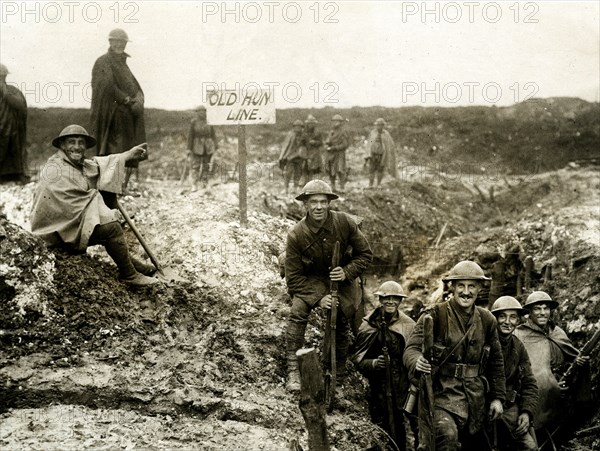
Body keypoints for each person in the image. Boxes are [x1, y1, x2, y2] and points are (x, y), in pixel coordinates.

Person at [30, 125, 158, 287]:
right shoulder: (54, 169)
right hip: (56, 234)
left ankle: (134, 265)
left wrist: (126, 156)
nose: (77, 147)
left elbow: (98, 165)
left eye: (81, 142)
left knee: (105, 221)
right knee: (111, 226)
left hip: (69, 226)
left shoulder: (76, 164)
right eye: (71, 142)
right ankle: (130, 275)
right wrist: (101, 205)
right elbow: (69, 205)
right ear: (62, 145)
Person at [403, 260, 506, 451]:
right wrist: (417, 361)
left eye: (472, 286)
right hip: (440, 396)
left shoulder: (487, 319)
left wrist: (498, 398)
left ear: (479, 289)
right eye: (461, 286)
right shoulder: (435, 314)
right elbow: (411, 349)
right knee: (446, 438)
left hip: (476, 400)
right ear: (452, 287)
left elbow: (496, 362)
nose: (466, 292)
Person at [284, 180, 372, 392]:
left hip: (340, 277)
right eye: (313, 202)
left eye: (323, 201)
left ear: (329, 203)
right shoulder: (296, 234)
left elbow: (365, 254)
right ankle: (293, 369)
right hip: (311, 281)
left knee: (343, 315)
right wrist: (318, 298)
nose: (319, 207)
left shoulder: (344, 223)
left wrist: (347, 272)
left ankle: (337, 374)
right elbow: (293, 279)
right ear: (305, 204)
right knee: (297, 310)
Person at [514, 291, 590, 444]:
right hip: (531, 398)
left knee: (556, 437)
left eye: (546, 308)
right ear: (529, 312)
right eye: (537, 308)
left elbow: (571, 360)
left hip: (558, 396)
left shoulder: (557, 332)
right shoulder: (519, 334)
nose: (543, 313)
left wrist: (577, 365)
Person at [353, 281, 416, 450]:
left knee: (405, 424)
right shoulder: (369, 324)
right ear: (380, 299)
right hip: (379, 387)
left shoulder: (408, 324)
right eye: (386, 298)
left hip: (403, 384)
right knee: (383, 427)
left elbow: (415, 353)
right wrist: (374, 363)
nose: (391, 302)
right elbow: (357, 359)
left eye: (395, 298)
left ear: (400, 301)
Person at [90, 29, 146, 192]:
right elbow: (106, 86)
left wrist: (138, 98)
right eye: (116, 41)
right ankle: (109, 186)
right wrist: (126, 99)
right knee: (115, 150)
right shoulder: (103, 62)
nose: (120, 44)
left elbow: (132, 85)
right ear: (110, 42)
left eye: (123, 42)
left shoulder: (123, 64)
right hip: (112, 115)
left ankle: (122, 185)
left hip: (126, 114)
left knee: (128, 148)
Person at [489, 296, 538, 451]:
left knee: (530, 447)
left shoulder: (518, 347)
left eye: (513, 317)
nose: (507, 322)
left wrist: (526, 412)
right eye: (502, 316)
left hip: (510, 409)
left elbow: (529, 383)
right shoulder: (483, 342)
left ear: (518, 321)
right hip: (484, 407)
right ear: (494, 319)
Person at [0, 63, 29, 184]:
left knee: (14, 151)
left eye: (2, 77)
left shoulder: (13, 91)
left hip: (14, 132)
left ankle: (17, 174)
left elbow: (22, 107)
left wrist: (6, 94)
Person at [187, 106, 217, 191]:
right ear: (197, 113)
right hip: (197, 146)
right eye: (200, 112)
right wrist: (189, 148)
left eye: (203, 111)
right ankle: (194, 184)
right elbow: (190, 136)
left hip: (208, 146)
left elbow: (213, 135)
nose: (202, 113)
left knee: (206, 166)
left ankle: (204, 183)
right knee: (195, 166)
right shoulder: (194, 122)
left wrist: (215, 146)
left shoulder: (209, 121)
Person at [278, 119, 306, 194]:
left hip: (300, 157)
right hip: (290, 157)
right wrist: (283, 156)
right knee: (288, 173)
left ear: (302, 127)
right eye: (296, 127)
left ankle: (295, 189)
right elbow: (286, 146)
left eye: (299, 127)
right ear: (294, 127)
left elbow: (306, 146)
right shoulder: (290, 135)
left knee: (298, 173)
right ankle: (286, 188)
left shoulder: (304, 136)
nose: (298, 128)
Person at [367, 118, 397, 187]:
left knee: (380, 169)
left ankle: (378, 184)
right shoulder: (373, 133)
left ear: (383, 126)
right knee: (371, 170)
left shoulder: (386, 134)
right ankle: (370, 184)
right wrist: (368, 154)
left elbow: (389, 145)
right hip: (373, 154)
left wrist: (388, 155)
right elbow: (369, 143)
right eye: (377, 125)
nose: (379, 127)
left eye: (381, 125)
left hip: (381, 155)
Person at [324, 114, 350, 192]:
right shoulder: (331, 131)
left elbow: (345, 144)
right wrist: (327, 145)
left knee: (340, 170)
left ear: (340, 122)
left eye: (337, 121)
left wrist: (335, 148)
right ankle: (333, 187)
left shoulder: (343, 131)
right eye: (334, 121)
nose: (335, 123)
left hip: (339, 154)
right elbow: (327, 141)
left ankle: (342, 187)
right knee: (331, 170)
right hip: (331, 154)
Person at [302, 114, 323, 181]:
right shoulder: (304, 133)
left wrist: (315, 142)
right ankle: (306, 182)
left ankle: (312, 182)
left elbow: (321, 142)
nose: (311, 125)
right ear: (307, 124)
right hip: (306, 152)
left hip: (315, 153)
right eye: (309, 123)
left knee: (314, 169)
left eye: (312, 123)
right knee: (305, 168)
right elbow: (301, 143)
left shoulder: (317, 132)